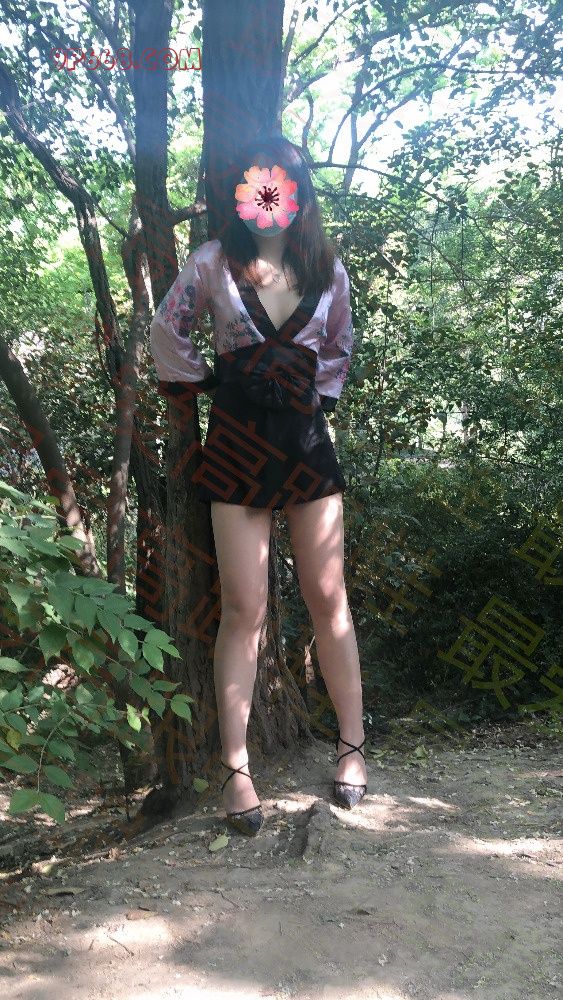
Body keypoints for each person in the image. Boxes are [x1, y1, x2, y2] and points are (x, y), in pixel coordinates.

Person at [149, 133, 367, 835]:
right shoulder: (211, 262)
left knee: (328, 598)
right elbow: (167, 332)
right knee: (244, 607)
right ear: (242, 191)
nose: (270, 194)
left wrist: (315, 397)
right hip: (236, 441)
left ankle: (352, 747)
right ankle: (236, 766)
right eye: (257, 181)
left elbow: (339, 345)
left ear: (299, 191)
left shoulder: (326, 268)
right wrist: (209, 380)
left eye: (282, 180)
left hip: (305, 441)